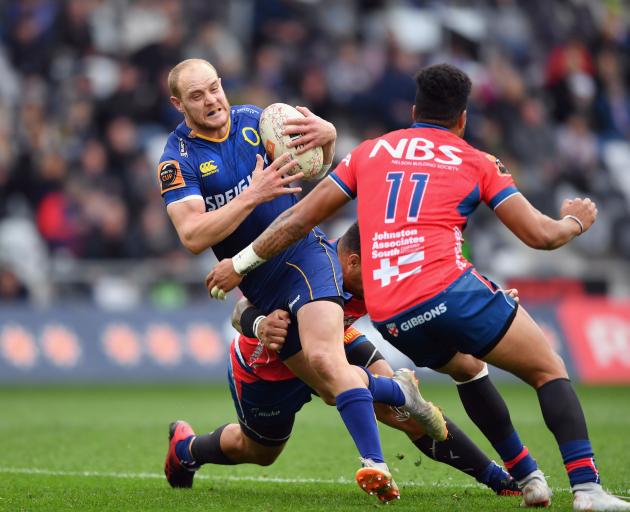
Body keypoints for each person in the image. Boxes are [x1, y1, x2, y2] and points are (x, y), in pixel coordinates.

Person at [206, 63, 629, 511]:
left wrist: (240, 262)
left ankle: (527, 478)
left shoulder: (370, 152)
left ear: (413, 110)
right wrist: (575, 221)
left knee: (468, 367)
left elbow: (295, 218)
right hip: (446, 289)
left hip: (392, 314)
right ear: (462, 118)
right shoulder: (476, 160)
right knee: (548, 368)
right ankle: (587, 489)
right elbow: (540, 236)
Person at [158, 58, 445, 502]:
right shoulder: (177, 159)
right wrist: (254, 194)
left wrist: (329, 141)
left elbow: (314, 167)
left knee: (333, 371)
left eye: (214, 88)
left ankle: (487, 473)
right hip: (262, 290)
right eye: (197, 96)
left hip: (307, 256)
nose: (212, 100)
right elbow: (193, 235)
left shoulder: (259, 120)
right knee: (262, 448)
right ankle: (188, 449)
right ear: (179, 104)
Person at [178, 223, 523, 498]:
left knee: (401, 413)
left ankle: (498, 479)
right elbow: (239, 309)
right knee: (259, 451)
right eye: (372, 272)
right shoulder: (307, 262)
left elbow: (433, 288)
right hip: (266, 367)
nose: (378, 283)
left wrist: (485, 300)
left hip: (335, 345)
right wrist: (260, 323)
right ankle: (186, 449)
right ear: (353, 260)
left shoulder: (369, 277)